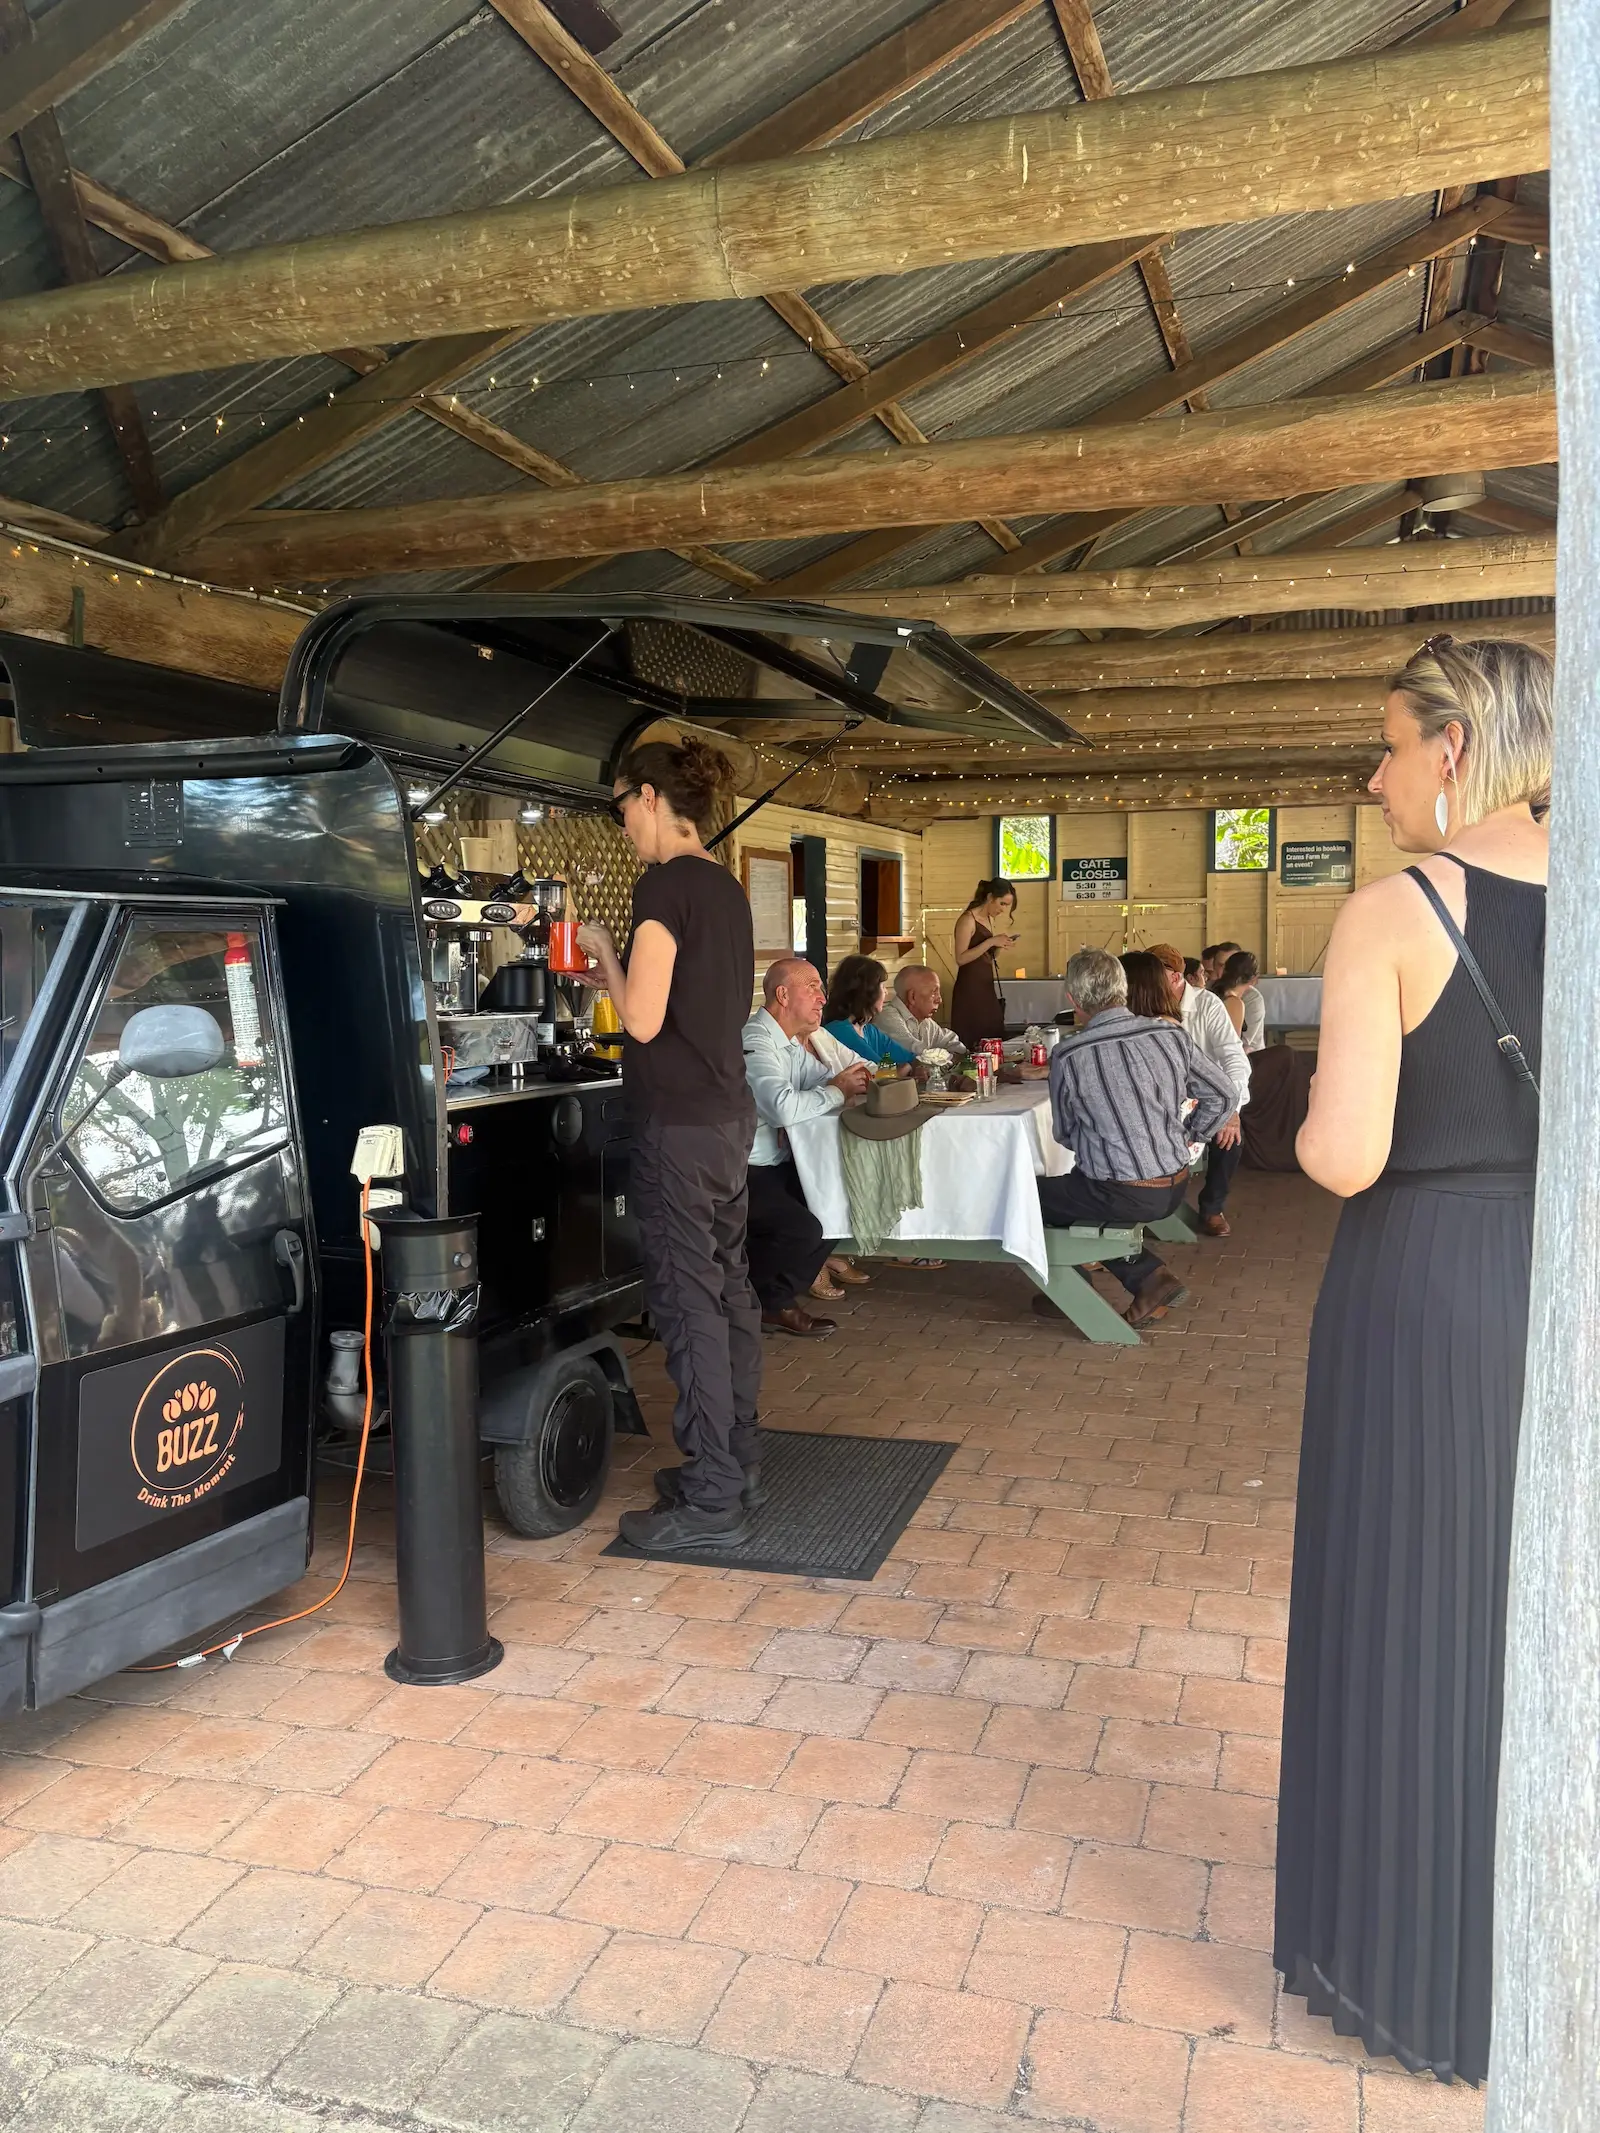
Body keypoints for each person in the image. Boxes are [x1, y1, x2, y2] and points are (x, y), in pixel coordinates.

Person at [1274, 634, 1551, 2086]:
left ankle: (1402, 1958)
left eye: (1387, 747)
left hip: (1422, 1284)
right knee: (1527, 1617)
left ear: (1453, 749)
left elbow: (1341, 1155)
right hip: (1555, 1289)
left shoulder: (1393, 912)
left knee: (1404, 1600)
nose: (1374, 779)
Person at [574, 738, 763, 1555]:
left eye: (621, 808)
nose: (622, 826)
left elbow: (644, 1022)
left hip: (676, 1128)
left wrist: (604, 954)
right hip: (725, 1117)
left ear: (649, 797)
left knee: (689, 1304)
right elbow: (690, 1002)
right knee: (729, 1292)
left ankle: (714, 1496)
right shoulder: (724, 887)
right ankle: (737, 1462)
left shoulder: (661, 886)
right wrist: (621, 975)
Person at [1036, 948, 1235, 1328]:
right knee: (1074, 1195)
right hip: (1176, 1182)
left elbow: (1065, 1133)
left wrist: (1105, 1143)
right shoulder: (1169, 1035)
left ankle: (1077, 1285)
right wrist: (1190, 1135)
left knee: (1030, 1198)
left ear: (1073, 1000)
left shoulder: (1069, 1054)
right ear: (1123, 989)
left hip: (1120, 1192)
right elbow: (1223, 1094)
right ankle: (1147, 1278)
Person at [742, 957, 871, 1339]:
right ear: (783, 995)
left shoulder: (797, 1044)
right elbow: (783, 1107)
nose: (822, 997)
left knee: (838, 1205)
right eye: (812, 987)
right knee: (803, 1229)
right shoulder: (758, 1040)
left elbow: (847, 1073)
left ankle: (768, 1299)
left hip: (781, 1161)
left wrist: (882, 1073)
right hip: (743, 1167)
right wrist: (838, 1090)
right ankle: (758, 1298)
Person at [1150, 942, 1250, 1237]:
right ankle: (1154, 1198)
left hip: (1205, 1096)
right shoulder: (1144, 1005)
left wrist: (1231, 1107)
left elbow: (1234, 1057)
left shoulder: (1207, 1005)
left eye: (1151, 978)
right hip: (1161, 1098)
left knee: (1230, 1136)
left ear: (1174, 977)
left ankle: (1212, 1207)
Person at [950, 878, 1017, 1048]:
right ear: (990, 897)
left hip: (986, 984)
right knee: (973, 1036)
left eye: (1007, 906)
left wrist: (999, 945)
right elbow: (961, 958)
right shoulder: (967, 919)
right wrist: (991, 941)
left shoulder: (988, 919)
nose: (1003, 909)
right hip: (970, 987)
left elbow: (986, 955)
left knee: (992, 1033)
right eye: (1002, 903)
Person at [822, 956, 917, 1069]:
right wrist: (907, 1067)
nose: (886, 992)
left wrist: (913, 1065)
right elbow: (879, 1072)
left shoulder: (869, 1030)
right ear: (867, 991)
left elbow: (909, 1058)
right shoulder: (839, 1031)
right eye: (882, 986)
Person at [874, 965, 967, 1059]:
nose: (939, 1000)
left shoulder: (926, 1022)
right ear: (912, 996)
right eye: (934, 992)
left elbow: (951, 1041)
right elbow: (913, 1050)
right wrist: (950, 1058)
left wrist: (959, 1056)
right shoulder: (887, 1017)